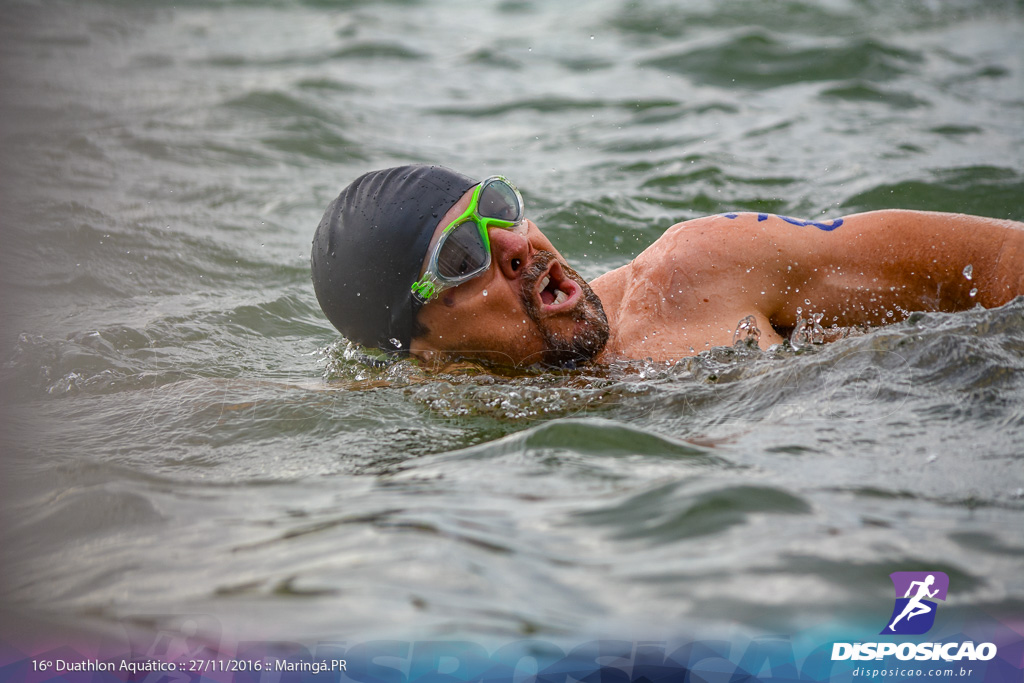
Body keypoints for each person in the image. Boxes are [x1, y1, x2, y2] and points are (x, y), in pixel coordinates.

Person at [311, 165, 1024, 367]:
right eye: (461, 255)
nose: (516, 245)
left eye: (500, 208)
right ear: (424, 348)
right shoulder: (433, 409)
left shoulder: (704, 268)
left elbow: (995, 264)